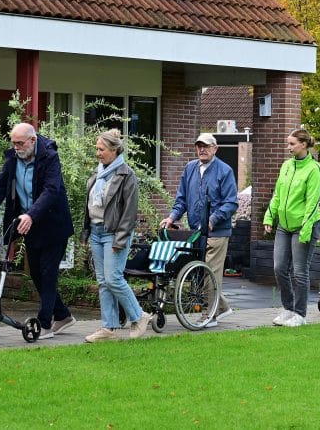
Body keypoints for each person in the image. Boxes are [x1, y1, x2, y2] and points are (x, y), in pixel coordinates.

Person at [0, 122, 75, 339]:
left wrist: (31, 214)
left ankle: (45, 323)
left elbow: (51, 190)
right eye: (13, 143)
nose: (16, 147)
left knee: (48, 273)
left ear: (33, 140)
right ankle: (63, 315)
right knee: (37, 275)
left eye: (20, 143)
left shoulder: (50, 157)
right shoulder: (13, 158)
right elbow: (0, 186)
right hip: (28, 225)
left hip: (53, 224)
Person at [160, 133, 238, 328]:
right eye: (199, 146)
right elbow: (181, 200)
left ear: (215, 148)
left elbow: (231, 203)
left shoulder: (224, 171)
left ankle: (210, 315)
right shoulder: (190, 168)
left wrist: (213, 219)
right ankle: (222, 307)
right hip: (196, 232)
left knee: (210, 272)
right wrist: (172, 217)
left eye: (206, 146)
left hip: (217, 232)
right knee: (201, 272)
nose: (202, 149)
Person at [82, 129, 151, 342]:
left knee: (113, 279)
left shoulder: (126, 175)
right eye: (97, 149)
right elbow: (89, 207)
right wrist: (86, 233)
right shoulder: (98, 173)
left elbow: (129, 213)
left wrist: (120, 240)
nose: (97, 153)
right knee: (103, 282)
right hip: (96, 232)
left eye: (101, 149)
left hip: (114, 234)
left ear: (114, 150)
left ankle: (139, 316)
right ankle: (108, 328)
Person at [264, 129, 320, 327]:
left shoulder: (314, 170)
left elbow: (312, 203)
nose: (288, 147)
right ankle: (288, 308)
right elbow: (277, 194)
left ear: (303, 145)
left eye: (292, 144)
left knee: (299, 272)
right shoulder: (287, 166)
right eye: (288, 143)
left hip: (305, 226)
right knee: (279, 268)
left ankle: (300, 314)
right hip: (284, 226)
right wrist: (269, 216)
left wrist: (305, 231)